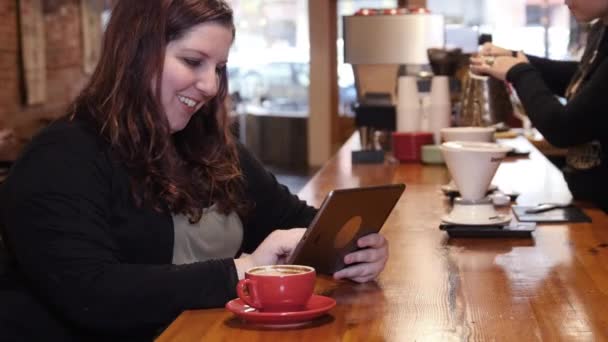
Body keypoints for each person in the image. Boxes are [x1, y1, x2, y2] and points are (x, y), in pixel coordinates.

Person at [0, 1, 389, 340]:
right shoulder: (61, 158)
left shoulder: (207, 143)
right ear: (135, 53)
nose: (209, 85)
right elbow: (93, 295)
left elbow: (296, 221)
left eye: (219, 67)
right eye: (192, 62)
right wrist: (243, 271)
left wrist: (351, 250)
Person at [469, 0, 608, 212]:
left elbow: (564, 128)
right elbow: (585, 82)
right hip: (592, 205)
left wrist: (520, 72)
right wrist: (517, 60)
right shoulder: (601, 28)